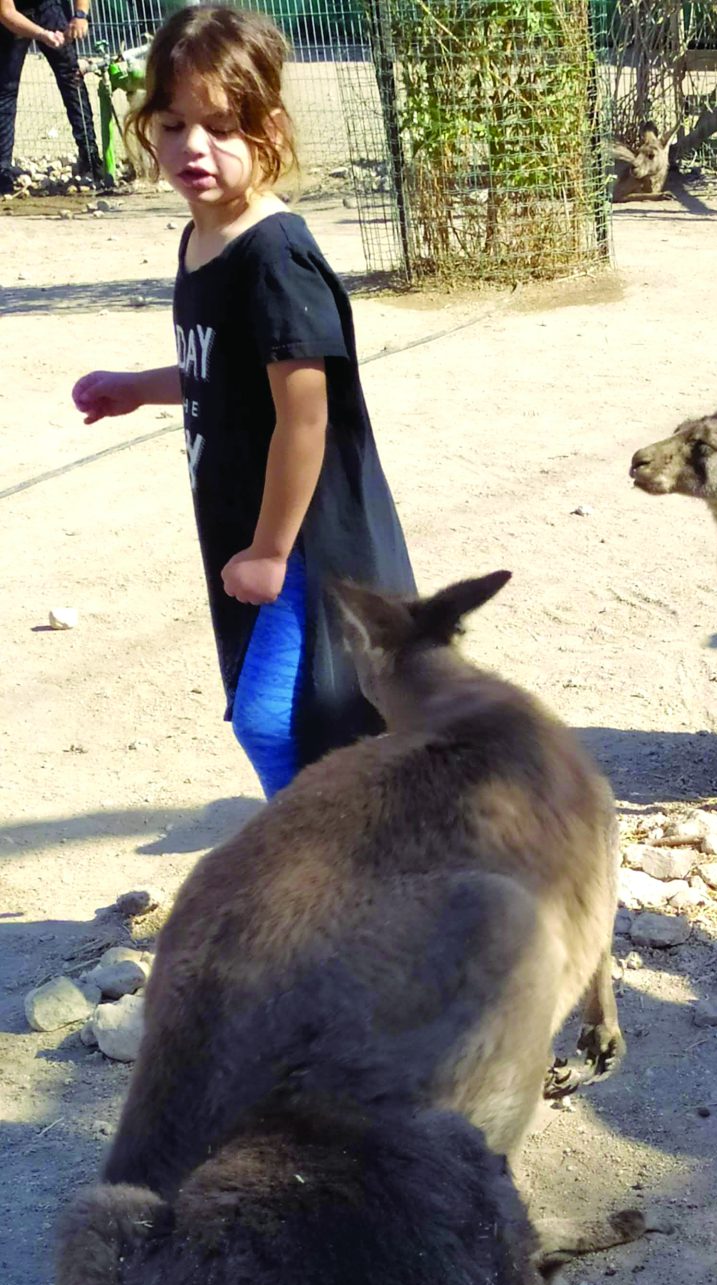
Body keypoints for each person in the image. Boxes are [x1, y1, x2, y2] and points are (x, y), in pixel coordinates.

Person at [71, 4, 413, 798]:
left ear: (270, 129)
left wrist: (268, 551)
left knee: (285, 716)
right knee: (290, 715)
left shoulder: (274, 257)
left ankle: (314, 879)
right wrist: (140, 388)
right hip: (249, 521)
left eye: (223, 126)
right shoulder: (203, 238)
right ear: (145, 127)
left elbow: (304, 416)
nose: (194, 147)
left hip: (304, 536)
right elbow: (226, 375)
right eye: (172, 124)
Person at [0, 0, 103, 195]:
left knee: (72, 79)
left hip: (47, 8)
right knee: (5, 91)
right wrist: (42, 34)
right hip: (11, 18)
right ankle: (2, 173)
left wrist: (80, 15)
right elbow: (6, 13)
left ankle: (91, 160)